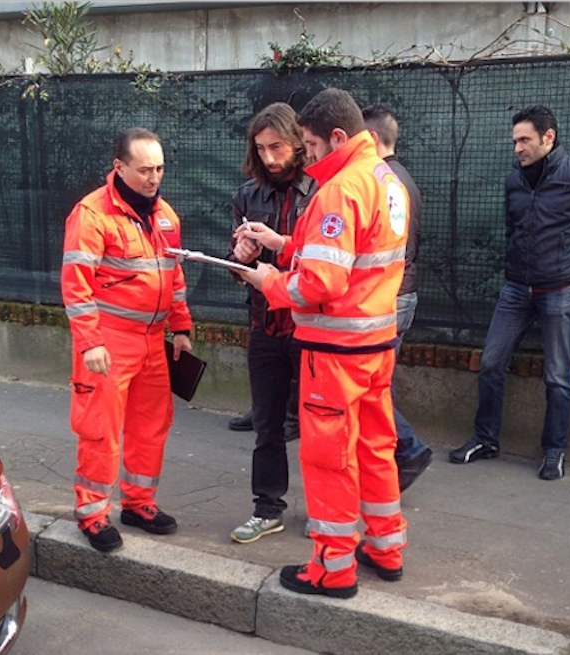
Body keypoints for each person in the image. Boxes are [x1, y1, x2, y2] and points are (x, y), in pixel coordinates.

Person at [239, 87, 409, 599]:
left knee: (329, 458)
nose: (306, 156)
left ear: (337, 137)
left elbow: (320, 284)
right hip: (374, 348)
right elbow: (353, 252)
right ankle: (385, 547)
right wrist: (285, 244)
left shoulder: (340, 188)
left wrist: (268, 279)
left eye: (310, 146)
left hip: (333, 356)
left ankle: (332, 568)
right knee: (376, 449)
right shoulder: (385, 178)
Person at [449, 105, 570, 480]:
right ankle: (486, 439)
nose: (517, 148)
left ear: (549, 137)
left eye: (525, 140)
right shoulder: (514, 180)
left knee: (557, 375)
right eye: (515, 140)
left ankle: (554, 450)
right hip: (517, 288)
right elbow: (513, 227)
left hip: (562, 290)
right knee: (490, 363)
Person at [61, 127, 193, 552]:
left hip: (153, 341)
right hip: (110, 343)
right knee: (100, 429)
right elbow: (76, 286)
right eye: (144, 170)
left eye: (159, 169)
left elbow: (174, 278)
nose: (153, 179)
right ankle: (93, 513)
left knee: (151, 426)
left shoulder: (165, 216)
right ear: (119, 168)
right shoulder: (92, 215)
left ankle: (138, 503)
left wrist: (182, 328)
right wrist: (91, 342)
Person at [227, 102, 317, 544]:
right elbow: (235, 263)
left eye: (276, 147)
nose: (268, 157)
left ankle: (325, 509)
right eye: (260, 148)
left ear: (298, 143)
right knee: (267, 424)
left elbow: (324, 265)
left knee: (319, 423)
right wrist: (239, 258)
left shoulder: (321, 191)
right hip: (265, 324)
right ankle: (267, 508)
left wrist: (281, 247)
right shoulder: (247, 194)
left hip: (311, 326)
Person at [362, 104, 433, 492]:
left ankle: (407, 449)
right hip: (402, 294)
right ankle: (398, 453)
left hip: (389, 297)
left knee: (370, 388)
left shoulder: (383, 181)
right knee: (375, 385)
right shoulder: (402, 179)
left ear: (371, 139)